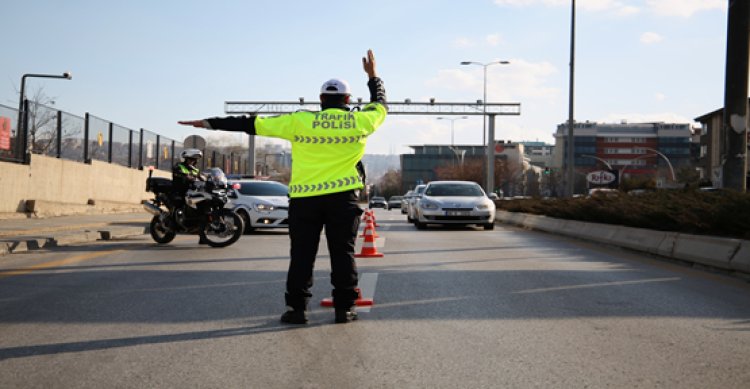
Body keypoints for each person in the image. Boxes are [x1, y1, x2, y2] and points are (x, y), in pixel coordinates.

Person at [178, 49, 387, 324]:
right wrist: (373, 77)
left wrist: (208, 123)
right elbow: (381, 104)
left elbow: (249, 123)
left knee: (301, 255)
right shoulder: (361, 121)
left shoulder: (299, 121)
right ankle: (344, 309)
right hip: (343, 199)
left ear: (321, 99)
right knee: (343, 253)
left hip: (305, 200)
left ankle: (296, 310)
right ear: (347, 100)